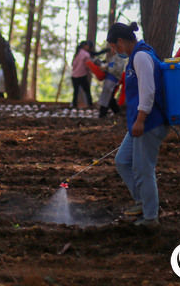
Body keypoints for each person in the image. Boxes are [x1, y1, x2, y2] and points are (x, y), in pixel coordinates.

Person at [107, 22, 168, 227]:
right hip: (139, 122)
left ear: (121, 41)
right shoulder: (135, 58)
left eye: (114, 47)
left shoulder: (142, 56)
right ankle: (142, 201)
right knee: (122, 160)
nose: (115, 51)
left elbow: (148, 91)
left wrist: (141, 119)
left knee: (143, 168)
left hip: (149, 122)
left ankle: (150, 217)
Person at [98, 47, 126, 118]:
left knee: (108, 97)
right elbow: (110, 66)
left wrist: (107, 68)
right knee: (108, 97)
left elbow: (117, 69)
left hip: (114, 79)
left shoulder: (119, 58)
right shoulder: (113, 57)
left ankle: (103, 113)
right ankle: (116, 112)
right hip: (109, 79)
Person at [71, 41, 94, 108]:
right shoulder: (86, 54)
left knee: (76, 91)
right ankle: (90, 104)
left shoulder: (77, 53)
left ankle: (74, 105)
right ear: (84, 46)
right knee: (87, 91)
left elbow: (73, 64)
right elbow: (88, 64)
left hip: (74, 75)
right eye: (87, 46)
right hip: (82, 75)